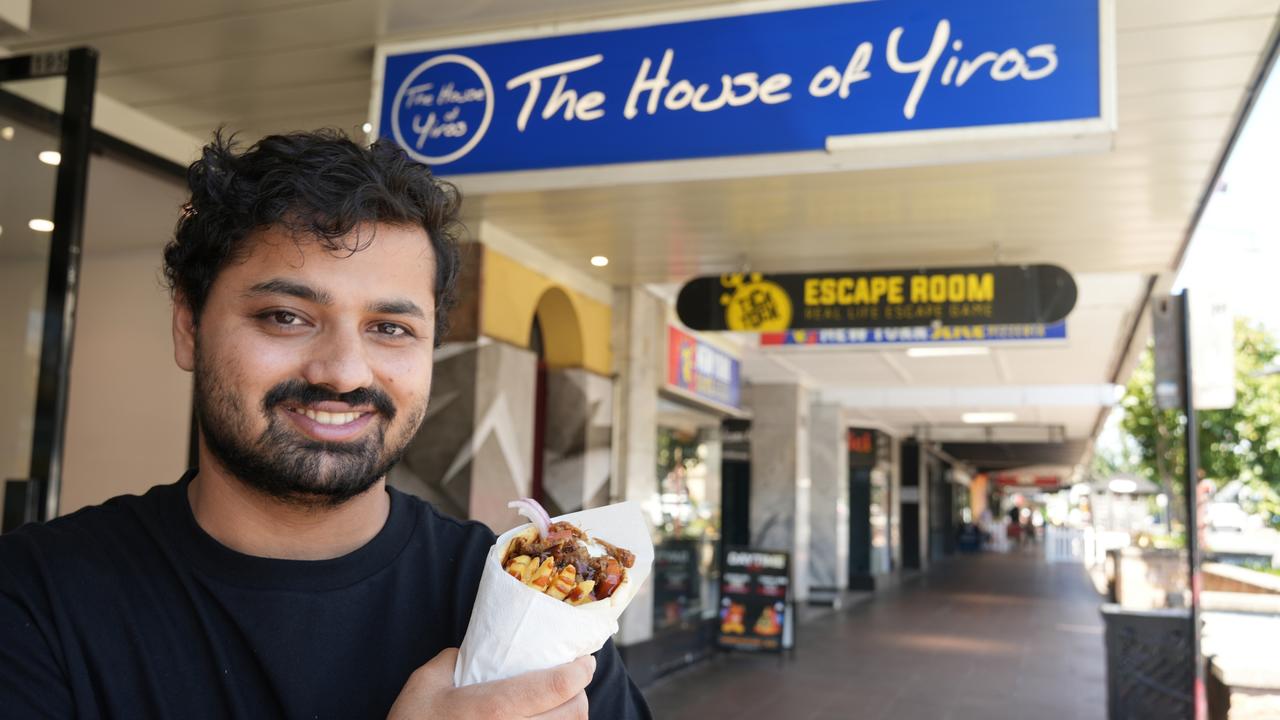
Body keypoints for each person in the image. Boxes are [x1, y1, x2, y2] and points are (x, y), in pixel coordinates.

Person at [0, 130, 651, 719]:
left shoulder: (529, 599)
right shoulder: (36, 599)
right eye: (286, 316)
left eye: (390, 329)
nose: (343, 372)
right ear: (188, 327)